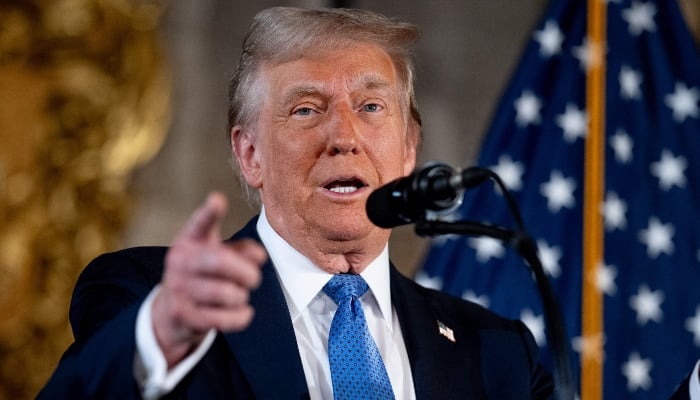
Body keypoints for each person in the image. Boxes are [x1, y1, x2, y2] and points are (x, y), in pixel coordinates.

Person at [36, 6, 696, 400]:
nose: (344, 135)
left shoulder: (497, 353)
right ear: (248, 154)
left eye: (371, 106)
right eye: (305, 108)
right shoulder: (145, 294)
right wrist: (159, 335)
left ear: (409, 149)